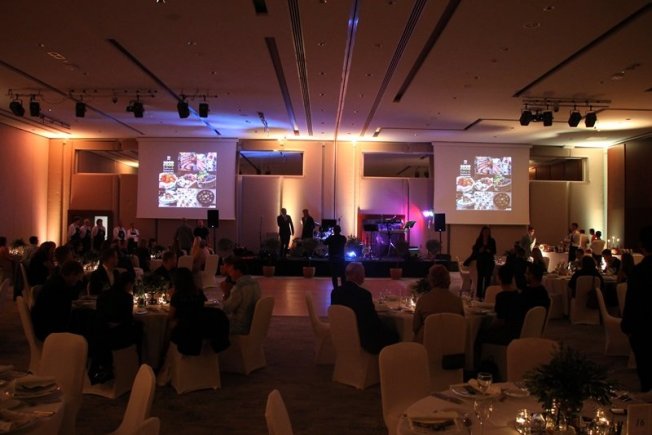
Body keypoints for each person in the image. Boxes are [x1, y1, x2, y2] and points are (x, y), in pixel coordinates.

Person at [330, 262, 398, 354]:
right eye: (363, 273)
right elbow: (372, 322)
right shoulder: (364, 295)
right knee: (395, 335)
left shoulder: (335, 293)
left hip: (342, 335)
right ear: (357, 275)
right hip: (364, 339)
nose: (364, 277)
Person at [90, 272, 142, 384]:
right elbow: (127, 320)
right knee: (140, 330)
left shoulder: (103, 295)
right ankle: (139, 364)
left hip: (100, 334)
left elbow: (99, 315)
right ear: (128, 284)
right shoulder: (127, 298)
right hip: (118, 337)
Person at [621, 225, 652, 392]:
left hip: (643, 329)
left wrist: (627, 327)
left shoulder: (639, 272)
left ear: (642, 246)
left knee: (646, 375)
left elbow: (632, 301)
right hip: (643, 327)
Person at [31, 260, 84, 341]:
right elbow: (64, 316)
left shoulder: (55, 281)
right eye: (78, 277)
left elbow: (57, 306)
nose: (78, 281)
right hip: (48, 332)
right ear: (72, 274)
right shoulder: (61, 288)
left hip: (41, 325)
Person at [412, 264, 464, 342]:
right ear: (448, 279)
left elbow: (415, 327)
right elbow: (462, 324)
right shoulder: (458, 301)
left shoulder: (423, 300)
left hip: (427, 344)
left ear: (431, 280)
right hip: (452, 343)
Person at [168, 267, 207, 355]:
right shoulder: (199, 292)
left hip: (182, 329)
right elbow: (203, 306)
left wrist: (171, 298)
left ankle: (168, 354)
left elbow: (170, 316)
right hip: (199, 327)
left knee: (168, 326)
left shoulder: (177, 295)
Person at [221, 256, 261, 335]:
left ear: (238, 271)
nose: (230, 274)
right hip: (252, 323)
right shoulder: (255, 283)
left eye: (231, 271)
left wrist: (226, 293)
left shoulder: (239, 287)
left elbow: (226, 309)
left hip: (240, 326)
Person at [464, 226, 497, 299]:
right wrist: (480, 250)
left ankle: (486, 294)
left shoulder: (492, 240)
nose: (486, 233)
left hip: (489, 261)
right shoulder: (479, 240)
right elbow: (475, 250)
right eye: (485, 231)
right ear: (482, 232)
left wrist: (489, 251)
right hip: (481, 261)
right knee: (480, 278)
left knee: (487, 279)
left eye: (487, 232)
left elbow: (494, 251)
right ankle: (479, 295)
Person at [324, 225, 347, 289]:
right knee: (343, 275)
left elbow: (324, 242)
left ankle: (336, 289)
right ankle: (343, 288)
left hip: (333, 258)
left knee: (334, 275)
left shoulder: (331, 238)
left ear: (333, 231)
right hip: (341, 258)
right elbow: (345, 242)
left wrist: (330, 235)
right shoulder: (343, 238)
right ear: (340, 230)